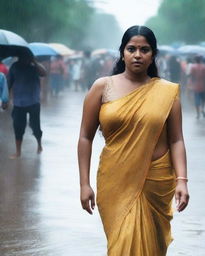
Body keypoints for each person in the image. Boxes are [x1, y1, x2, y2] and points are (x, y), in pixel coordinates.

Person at [78, 25, 189, 255]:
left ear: (153, 55)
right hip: (115, 180)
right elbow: (85, 137)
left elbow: (177, 140)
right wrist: (84, 184)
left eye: (144, 49)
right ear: (122, 52)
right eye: (131, 49)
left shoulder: (167, 93)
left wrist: (182, 180)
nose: (137, 54)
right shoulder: (102, 87)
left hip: (155, 180)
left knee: (151, 245)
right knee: (122, 242)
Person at [7, 53, 46, 158]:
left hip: (33, 102)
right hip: (18, 103)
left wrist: (35, 62)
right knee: (18, 127)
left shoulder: (35, 67)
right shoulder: (14, 67)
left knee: (35, 126)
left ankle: (39, 144)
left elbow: (44, 73)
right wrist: (6, 100)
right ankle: (18, 152)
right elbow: (8, 83)